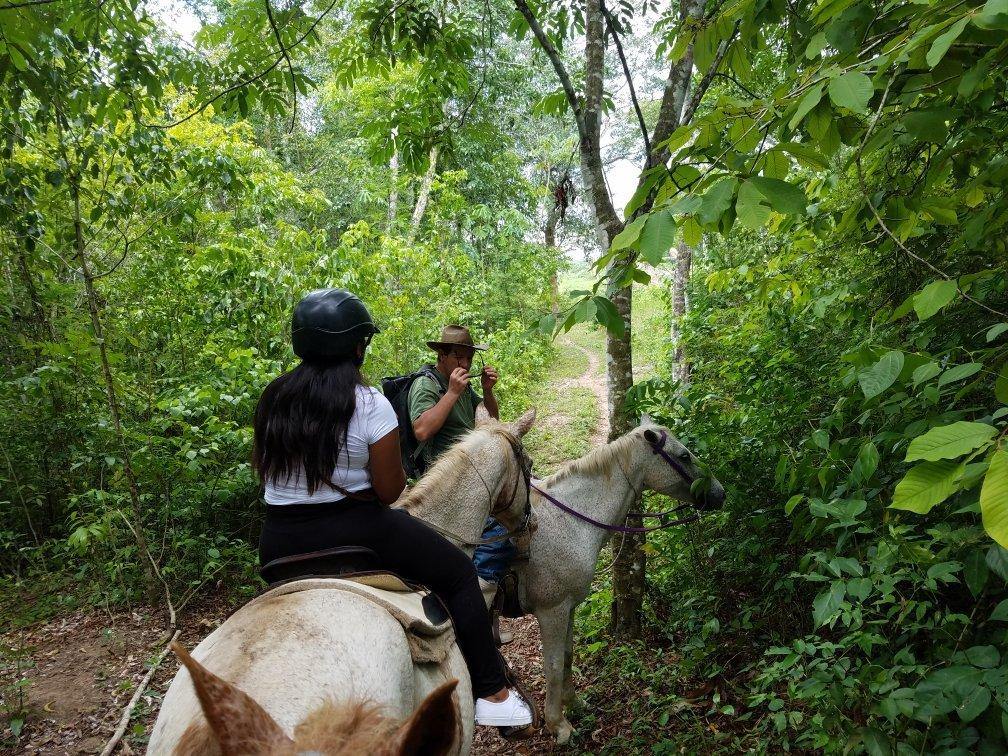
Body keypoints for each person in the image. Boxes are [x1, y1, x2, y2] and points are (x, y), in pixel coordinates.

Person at [253, 289, 531, 728]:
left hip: (278, 542)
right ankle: (494, 695)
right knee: (460, 572)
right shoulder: (367, 404)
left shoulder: (272, 399)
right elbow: (388, 491)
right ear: (357, 346)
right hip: (357, 532)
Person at [408, 326, 516, 632]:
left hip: (473, 474)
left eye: (469, 356)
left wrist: (487, 392)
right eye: (459, 355)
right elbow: (422, 431)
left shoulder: (464, 386)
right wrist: (453, 392)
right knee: (499, 536)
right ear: (441, 355)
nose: (465, 363)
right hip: (442, 481)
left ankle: (488, 605)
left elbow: (491, 424)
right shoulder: (427, 385)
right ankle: (472, 616)